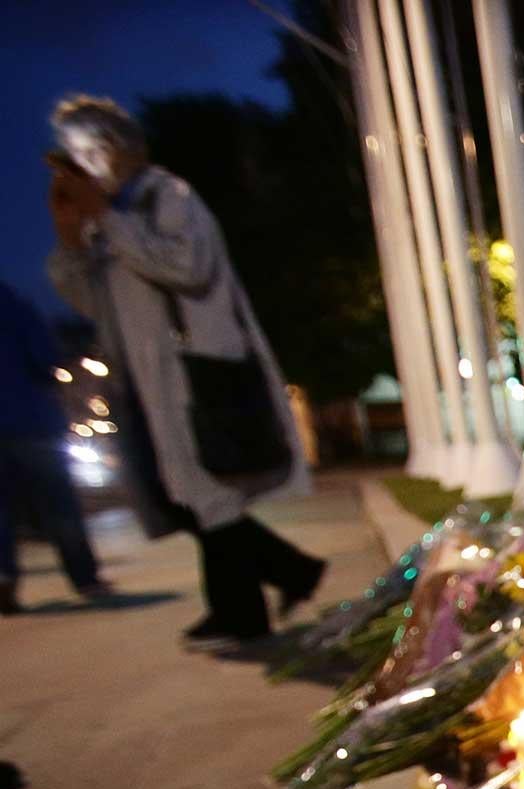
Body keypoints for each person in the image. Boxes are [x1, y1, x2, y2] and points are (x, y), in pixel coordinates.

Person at [44, 95, 322, 646]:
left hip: (194, 370)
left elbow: (188, 267)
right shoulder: (113, 219)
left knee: (207, 492)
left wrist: (105, 217)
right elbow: (90, 303)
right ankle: (284, 577)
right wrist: (71, 237)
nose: (89, 164)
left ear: (126, 147)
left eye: (94, 149)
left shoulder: (165, 197)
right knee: (183, 495)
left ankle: (243, 611)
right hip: (143, 384)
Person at [0, 279, 108, 613]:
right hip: (31, 419)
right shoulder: (15, 306)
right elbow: (44, 357)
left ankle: (4, 577)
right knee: (58, 502)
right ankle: (84, 577)